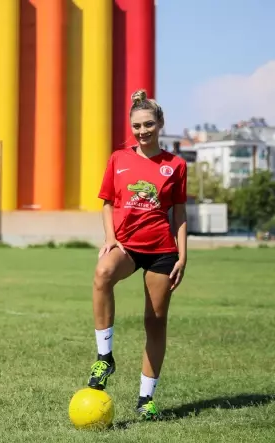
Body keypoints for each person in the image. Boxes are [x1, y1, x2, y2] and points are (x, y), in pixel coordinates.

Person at [86, 89, 188, 421]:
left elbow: (180, 214)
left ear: (160, 124)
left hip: (161, 250)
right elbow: (107, 202)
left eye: (148, 125)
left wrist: (182, 257)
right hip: (126, 246)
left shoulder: (176, 165)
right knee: (102, 274)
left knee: (154, 322)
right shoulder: (118, 159)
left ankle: (146, 399)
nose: (142, 131)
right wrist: (111, 238)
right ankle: (105, 358)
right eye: (136, 126)